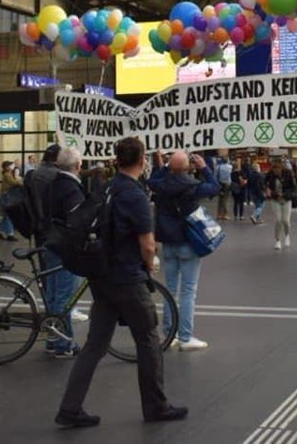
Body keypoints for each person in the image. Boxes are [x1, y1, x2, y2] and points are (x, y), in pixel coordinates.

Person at [56, 136, 187, 428]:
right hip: (127, 278)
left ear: (117, 160)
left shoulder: (106, 187)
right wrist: (150, 263)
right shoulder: (135, 195)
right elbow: (147, 243)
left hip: (101, 275)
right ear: (142, 160)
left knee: (95, 345)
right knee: (148, 339)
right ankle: (156, 406)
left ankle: (70, 407)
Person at [149, 149, 219, 350]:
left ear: (171, 166)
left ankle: (169, 333)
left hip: (168, 243)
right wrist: (204, 168)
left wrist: (165, 165)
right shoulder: (193, 186)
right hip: (188, 242)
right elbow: (215, 186)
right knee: (188, 291)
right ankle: (186, 337)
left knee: (170, 290)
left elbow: (151, 180)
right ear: (188, 167)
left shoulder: (160, 185)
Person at [41, 146, 87, 358]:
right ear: (78, 165)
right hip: (66, 247)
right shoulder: (71, 189)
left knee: (52, 294)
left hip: (51, 242)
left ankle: (52, 339)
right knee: (64, 297)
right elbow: (76, 221)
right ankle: (63, 344)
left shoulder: (53, 184)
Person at [265, 163, 297, 250]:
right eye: (274, 170)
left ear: (281, 169)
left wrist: (284, 194)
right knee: (278, 220)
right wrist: (269, 191)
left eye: (277, 170)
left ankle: (287, 236)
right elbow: (266, 186)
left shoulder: (288, 175)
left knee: (286, 220)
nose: (275, 172)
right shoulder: (270, 176)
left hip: (286, 199)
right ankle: (278, 241)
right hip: (275, 200)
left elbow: (293, 188)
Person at [245, 157, 265, 224]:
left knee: (257, 205)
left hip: (252, 193)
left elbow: (248, 184)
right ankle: (254, 216)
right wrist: (263, 192)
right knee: (260, 206)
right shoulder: (259, 176)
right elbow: (261, 185)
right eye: (259, 167)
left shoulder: (251, 175)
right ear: (257, 168)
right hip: (259, 192)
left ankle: (258, 219)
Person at [214, 156, 233, 221]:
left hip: (220, 184)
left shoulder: (218, 167)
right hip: (227, 184)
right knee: (225, 200)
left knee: (220, 199)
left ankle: (219, 214)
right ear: (227, 160)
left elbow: (215, 176)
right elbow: (231, 175)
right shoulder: (230, 167)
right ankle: (225, 214)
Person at [230, 157, 247, 221]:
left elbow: (231, 180)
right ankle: (241, 216)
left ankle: (235, 216)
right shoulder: (241, 172)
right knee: (241, 203)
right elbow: (245, 179)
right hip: (241, 189)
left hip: (235, 189)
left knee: (235, 203)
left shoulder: (231, 174)